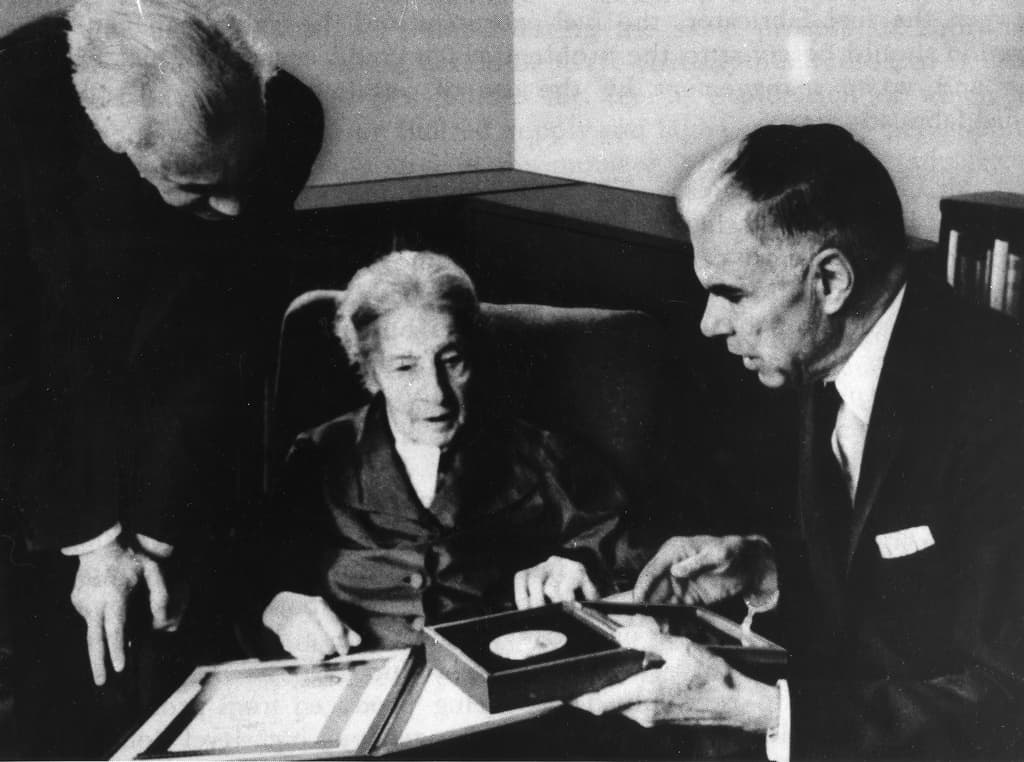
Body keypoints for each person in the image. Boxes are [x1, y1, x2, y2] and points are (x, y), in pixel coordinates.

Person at [574, 124, 1024, 759]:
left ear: (831, 282)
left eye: (731, 293)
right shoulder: (828, 352)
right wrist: (770, 570)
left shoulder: (1002, 402)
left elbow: (1010, 703)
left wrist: (761, 709)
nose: (709, 324)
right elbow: (901, 584)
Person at [0, 0, 322, 754]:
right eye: (197, 185)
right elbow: (16, 359)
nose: (236, 204)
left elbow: (219, 345)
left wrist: (155, 532)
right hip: (32, 436)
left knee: (181, 669)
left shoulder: (289, 117)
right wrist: (92, 540)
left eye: (242, 173)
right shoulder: (14, 120)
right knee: (66, 690)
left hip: (186, 439)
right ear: (120, 145)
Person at [256, 250, 628, 655]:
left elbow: (625, 540)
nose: (435, 393)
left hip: (496, 679)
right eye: (405, 368)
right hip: (357, 675)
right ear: (370, 371)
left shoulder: (541, 455)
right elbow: (255, 576)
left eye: (452, 361)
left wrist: (578, 559)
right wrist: (277, 608)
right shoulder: (320, 456)